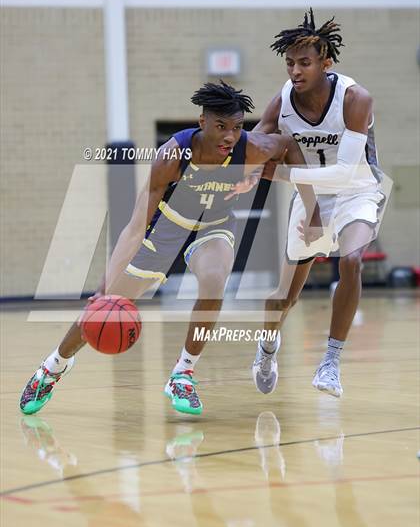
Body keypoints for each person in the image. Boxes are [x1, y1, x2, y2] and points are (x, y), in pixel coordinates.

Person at [20, 80, 320, 417]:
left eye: (236, 128)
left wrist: (311, 210)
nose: (229, 137)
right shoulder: (172, 156)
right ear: (201, 122)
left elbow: (288, 145)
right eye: (221, 127)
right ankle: (52, 367)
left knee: (214, 281)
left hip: (215, 224)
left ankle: (183, 374)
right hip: (168, 226)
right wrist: (105, 286)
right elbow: (135, 228)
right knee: (105, 308)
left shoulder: (250, 147)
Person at [252, 9, 385, 398]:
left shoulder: (355, 98)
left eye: (304, 62)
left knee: (351, 260)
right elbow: (259, 137)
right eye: (290, 62)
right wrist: (240, 164)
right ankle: (267, 348)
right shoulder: (283, 99)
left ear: (326, 63)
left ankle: (330, 361)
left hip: (358, 189)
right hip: (310, 195)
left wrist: (277, 175)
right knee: (284, 296)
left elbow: (345, 174)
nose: (295, 70)